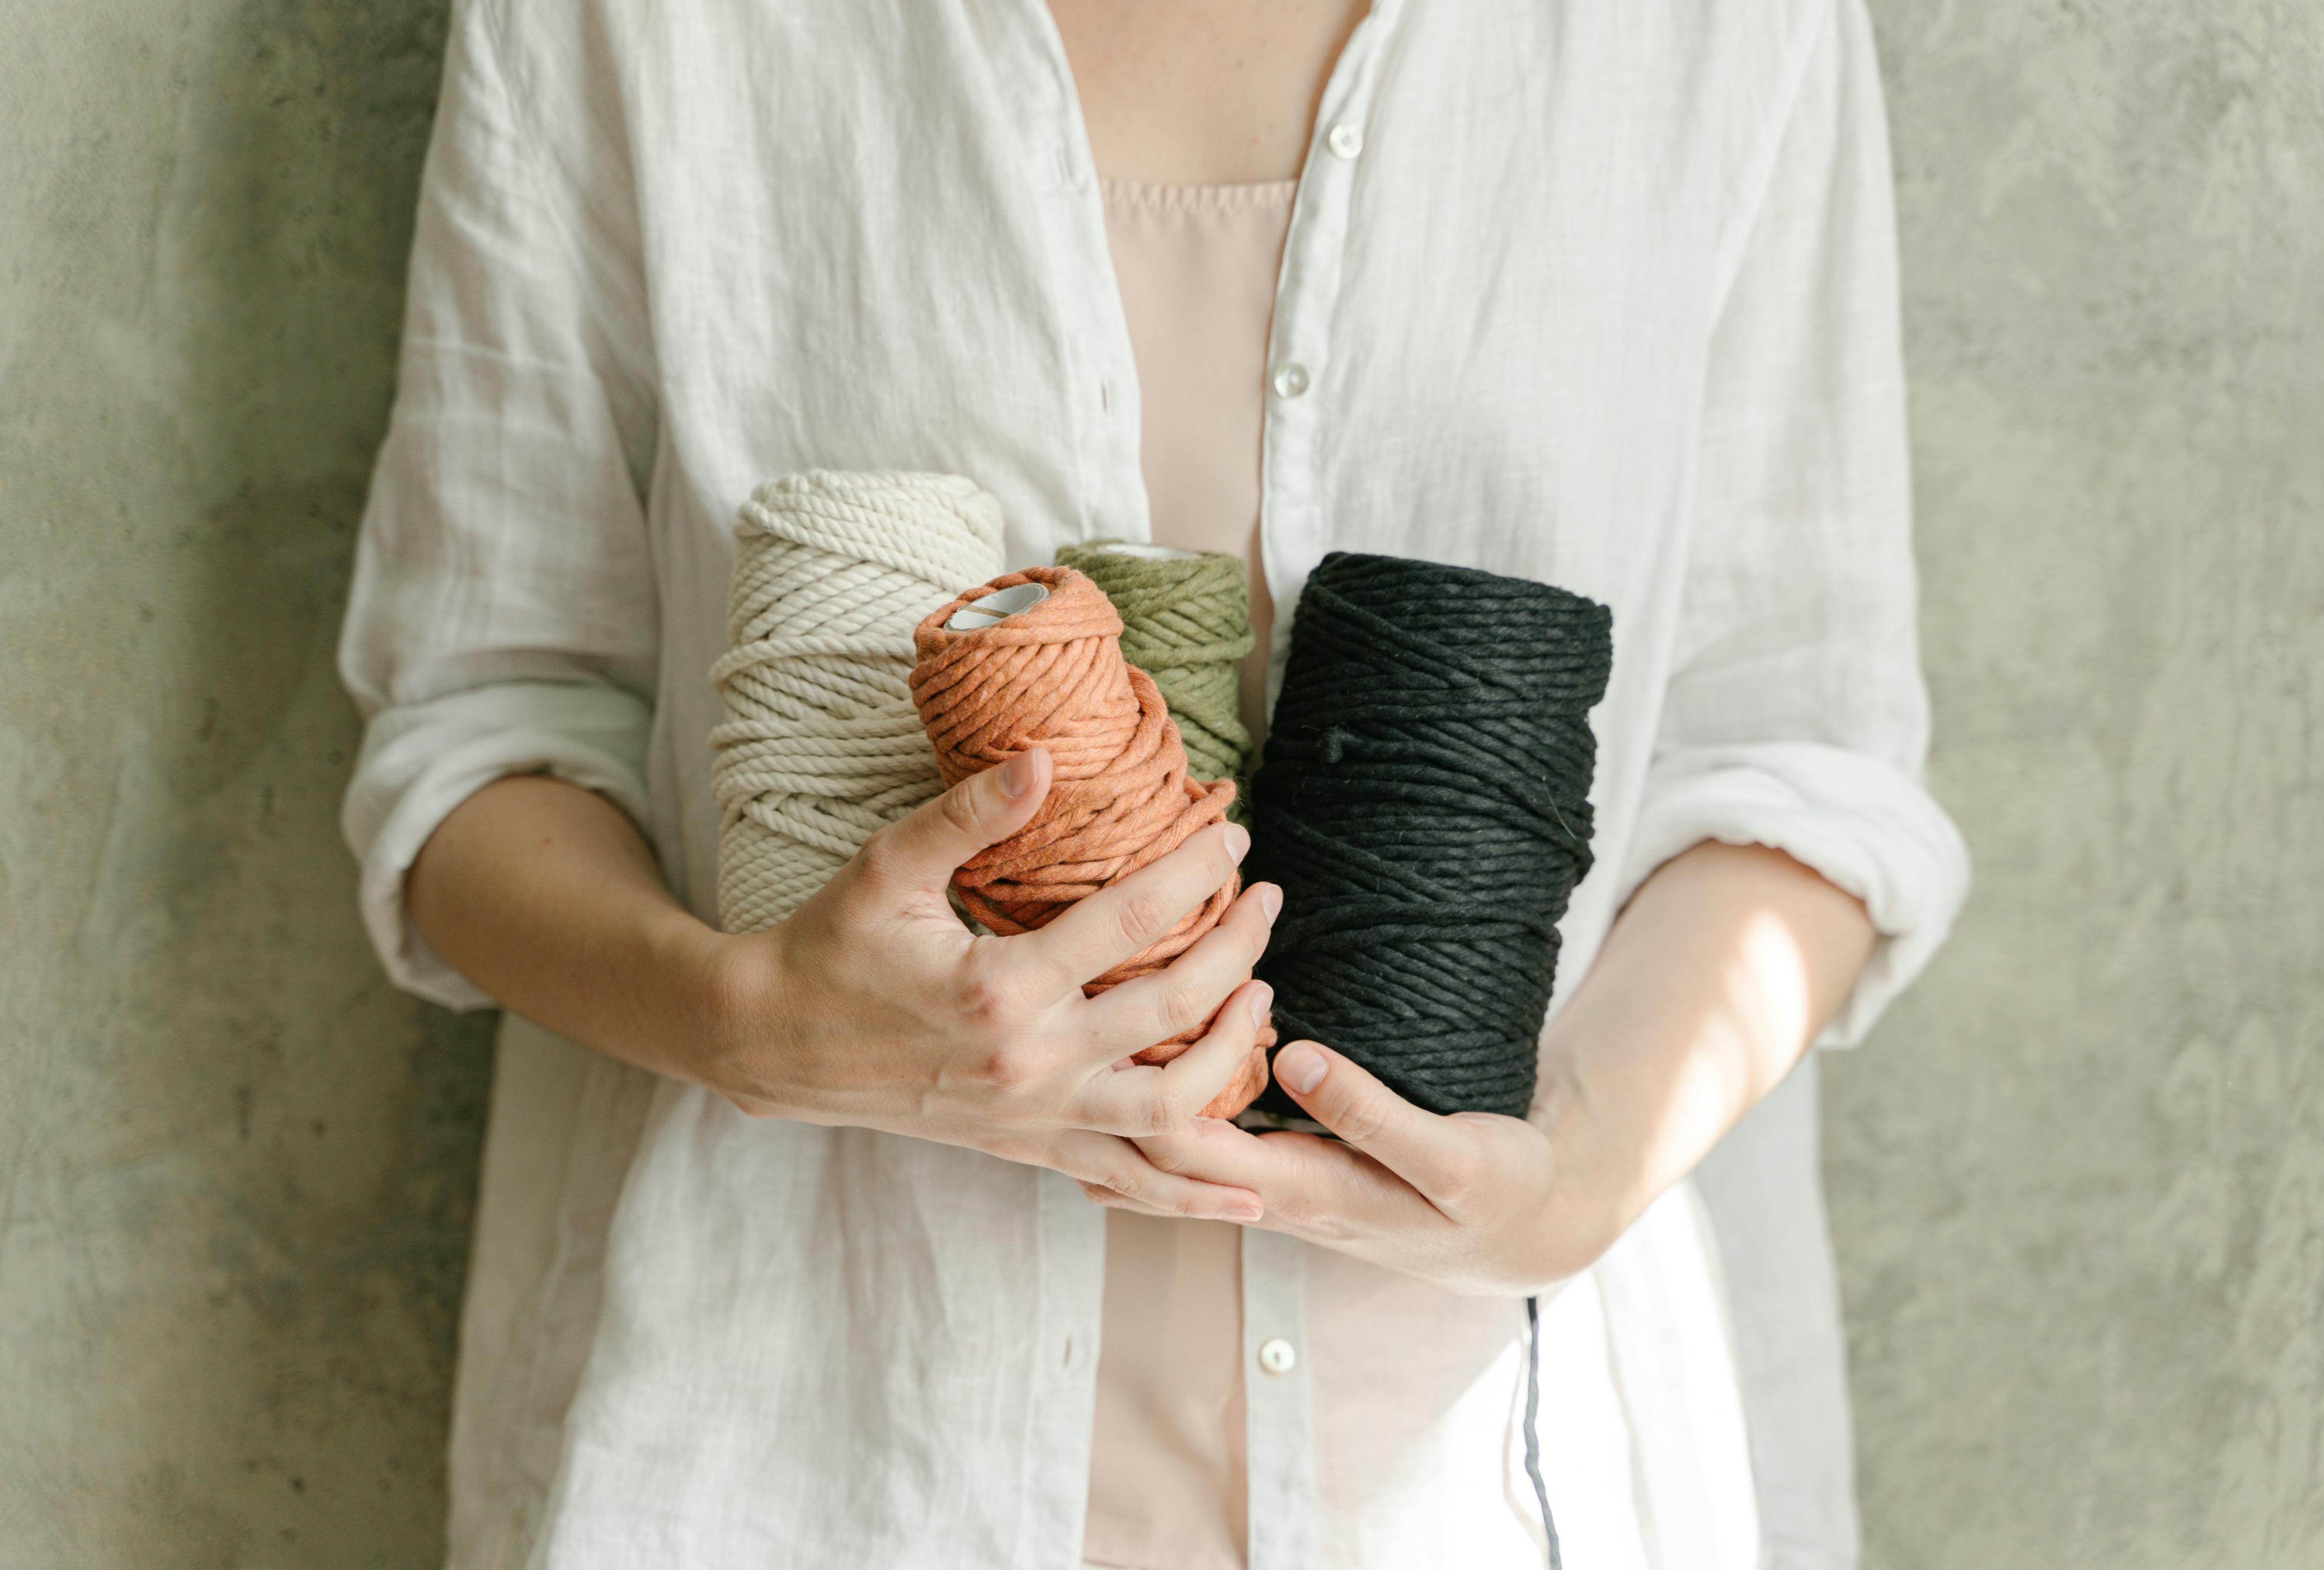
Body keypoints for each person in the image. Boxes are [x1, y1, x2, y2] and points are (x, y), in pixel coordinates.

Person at [338, 2, 1969, 1566]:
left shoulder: (1715, 29)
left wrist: (1570, 1179)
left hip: (1479, 1473)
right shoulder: (639, 24)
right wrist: (741, 1017)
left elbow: (1794, 757)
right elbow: (484, 724)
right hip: (820, 1443)